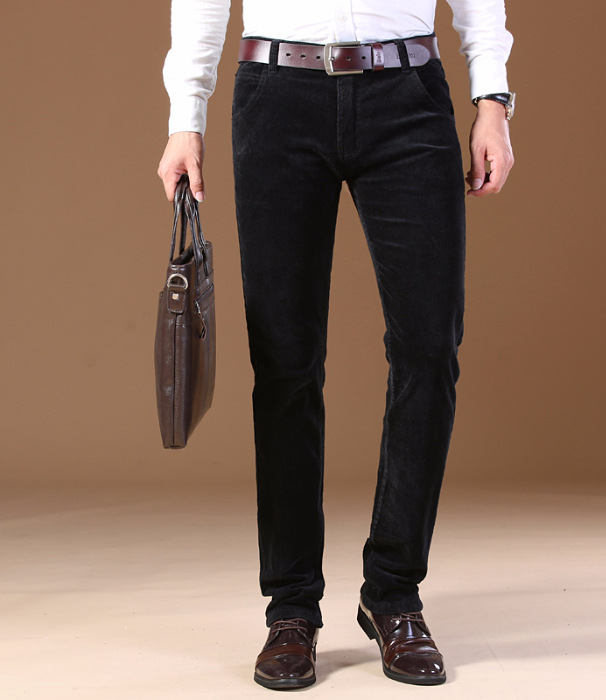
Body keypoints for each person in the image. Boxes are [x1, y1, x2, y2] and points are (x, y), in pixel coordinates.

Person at [158, 0, 514, 690]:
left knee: (429, 347)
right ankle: (291, 609)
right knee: (284, 362)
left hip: (408, 94)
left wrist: (492, 100)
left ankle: (394, 594)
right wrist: (184, 117)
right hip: (276, 97)